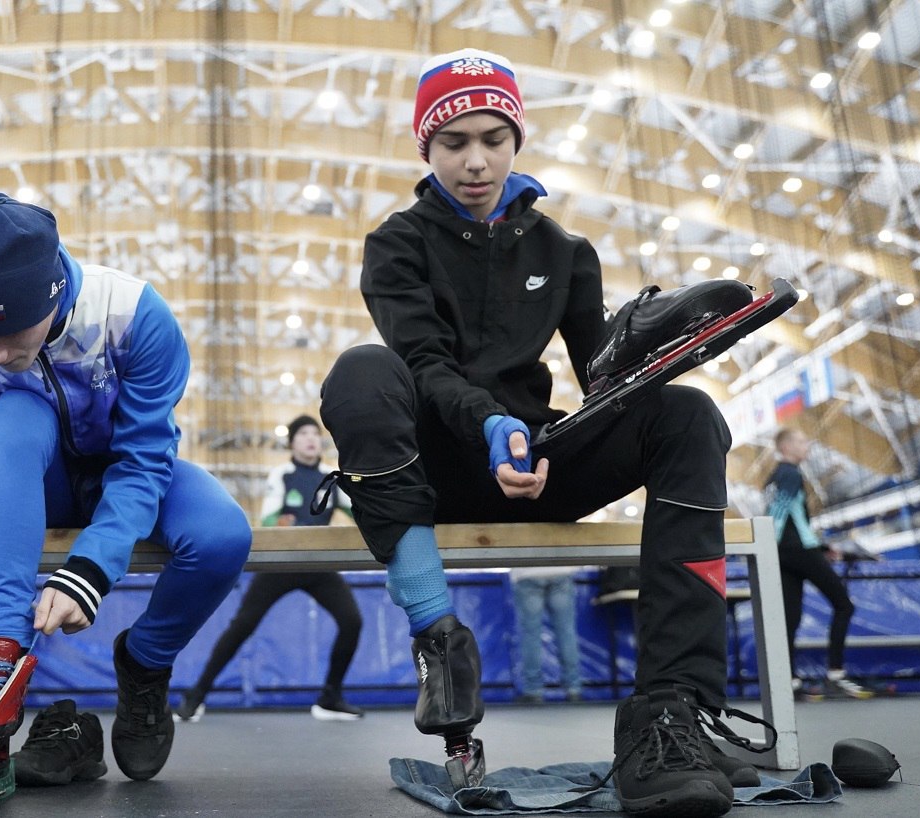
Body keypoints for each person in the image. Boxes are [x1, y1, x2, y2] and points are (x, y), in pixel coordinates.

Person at [317, 48, 756, 813]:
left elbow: (602, 383)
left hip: (541, 464)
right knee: (362, 370)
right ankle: (436, 634)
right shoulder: (396, 244)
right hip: (438, 476)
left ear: (516, 140)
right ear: (426, 147)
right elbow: (420, 364)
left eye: (493, 137)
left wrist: (644, 352)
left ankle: (670, 712)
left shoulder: (565, 252)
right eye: (453, 142)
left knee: (687, 413)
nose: (475, 160)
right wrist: (488, 420)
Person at [0, 192, 252, 784]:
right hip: (26, 480)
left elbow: (145, 460)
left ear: (50, 296)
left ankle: (145, 662)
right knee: (18, 412)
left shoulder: (133, 315)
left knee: (223, 536)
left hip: (123, 475)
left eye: (8, 334)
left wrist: (91, 567)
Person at [175, 415, 364, 722]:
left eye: (315, 434)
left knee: (352, 621)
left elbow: (356, 513)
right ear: (292, 442)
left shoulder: (332, 477)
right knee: (242, 626)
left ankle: (331, 697)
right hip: (282, 564)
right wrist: (284, 524)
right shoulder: (282, 474)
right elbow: (267, 521)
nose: (311, 439)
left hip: (319, 565)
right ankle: (195, 696)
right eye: (303, 434)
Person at [766, 428, 873, 700]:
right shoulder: (790, 473)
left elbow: (792, 518)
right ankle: (835, 675)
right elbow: (778, 514)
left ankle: (790, 683)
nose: (807, 447)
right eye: (802, 442)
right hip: (796, 551)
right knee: (844, 604)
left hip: (786, 553)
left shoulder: (772, 477)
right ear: (787, 447)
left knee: (790, 618)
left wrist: (823, 547)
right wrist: (770, 545)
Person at [509, 566, 583, 703]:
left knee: (531, 635)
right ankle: (574, 688)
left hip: (527, 572)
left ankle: (533, 690)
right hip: (561, 569)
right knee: (566, 632)